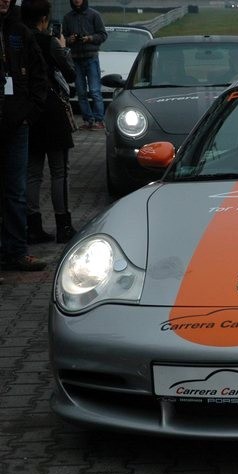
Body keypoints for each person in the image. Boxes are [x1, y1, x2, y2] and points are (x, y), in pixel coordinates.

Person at [22, 0, 77, 244]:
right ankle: (63, 224)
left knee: (33, 172)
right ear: (44, 18)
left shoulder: (18, 40)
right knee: (59, 171)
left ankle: (33, 225)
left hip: (29, 110)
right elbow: (70, 73)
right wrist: (63, 48)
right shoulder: (48, 42)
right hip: (52, 110)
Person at [0, 0, 48, 271]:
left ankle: (17, 251)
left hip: (18, 125)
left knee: (16, 192)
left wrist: (31, 112)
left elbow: (39, 74)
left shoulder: (20, 32)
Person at [62, 0, 106, 130]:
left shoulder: (94, 15)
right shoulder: (67, 17)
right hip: (75, 59)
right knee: (81, 92)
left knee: (95, 91)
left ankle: (99, 120)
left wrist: (90, 38)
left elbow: (103, 35)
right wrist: (69, 39)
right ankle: (88, 121)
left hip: (91, 57)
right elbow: (62, 38)